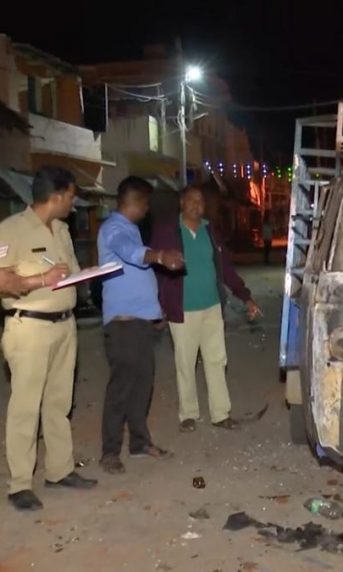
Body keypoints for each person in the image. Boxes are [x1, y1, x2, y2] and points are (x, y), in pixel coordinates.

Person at [0, 165, 98, 511]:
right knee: (26, 406)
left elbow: (65, 274)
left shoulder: (61, 230)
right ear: (56, 196)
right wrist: (40, 280)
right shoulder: (10, 230)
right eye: (71, 197)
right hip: (29, 328)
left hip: (64, 326)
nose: (73, 204)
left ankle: (60, 470)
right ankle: (20, 484)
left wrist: (87, 275)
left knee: (59, 402)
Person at [152, 185, 261, 433]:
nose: (196, 205)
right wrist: (159, 305)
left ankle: (221, 414)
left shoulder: (209, 231)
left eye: (200, 201)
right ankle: (188, 414)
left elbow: (226, 269)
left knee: (216, 360)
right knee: (185, 362)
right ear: (182, 203)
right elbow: (156, 272)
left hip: (212, 307)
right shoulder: (168, 232)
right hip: (183, 310)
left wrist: (246, 297)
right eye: (191, 200)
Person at [97, 176, 185, 475]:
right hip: (123, 326)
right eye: (145, 203)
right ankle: (109, 452)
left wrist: (155, 312)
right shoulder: (114, 230)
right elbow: (131, 254)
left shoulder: (132, 229)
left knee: (142, 387)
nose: (147, 210)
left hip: (140, 323)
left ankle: (138, 443)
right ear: (134, 202)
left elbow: (137, 275)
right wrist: (159, 255)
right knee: (121, 389)